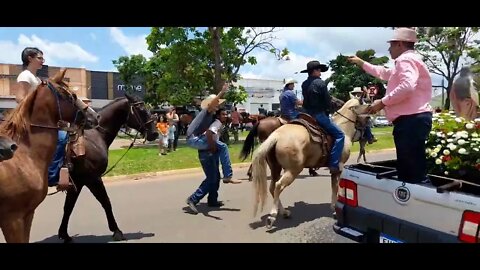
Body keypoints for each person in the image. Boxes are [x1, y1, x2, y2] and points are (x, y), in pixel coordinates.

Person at [348, 27, 433, 184]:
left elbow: (407, 86)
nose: (389, 49)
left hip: (410, 121)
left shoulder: (405, 60)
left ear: (400, 44)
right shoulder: (410, 60)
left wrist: (383, 102)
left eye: (391, 45)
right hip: (413, 120)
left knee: (413, 172)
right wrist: (362, 63)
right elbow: (384, 73)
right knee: (411, 169)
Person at [15, 47, 70, 190]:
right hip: (31, 120)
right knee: (62, 137)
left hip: (40, 120)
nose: (42, 61)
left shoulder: (37, 79)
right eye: (40, 58)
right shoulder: (25, 76)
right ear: (30, 58)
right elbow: (20, 98)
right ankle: (51, 176)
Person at [185, 82, 240, 184]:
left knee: (219, 147)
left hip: (196, 138)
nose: (217, 106)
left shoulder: (211, 116)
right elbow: (210, 132)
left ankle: (220, 175)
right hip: (194, 139)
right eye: (216, 104)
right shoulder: (207, 111)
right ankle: (228, 175)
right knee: (223, 147)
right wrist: (222, 92)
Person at [301, 60, 345, 174]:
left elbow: (306, 101)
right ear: (314, 71)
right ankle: (334, 164)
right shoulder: (321, 83)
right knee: (340, 135)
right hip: (319, 115)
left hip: (305, 115)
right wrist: (329, 109)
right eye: (319, 70)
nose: (320, 72)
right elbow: (326, 101)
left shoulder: (304, 84)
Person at [185, 108, 231, 214]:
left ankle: (212, 200)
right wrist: (212, 147)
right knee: (211, 178)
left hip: (210, 151)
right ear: (218, 116)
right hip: (207, 153)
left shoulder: (218, 123)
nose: (225, 116)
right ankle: (193, 199)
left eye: (226, 114)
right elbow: (209, 134)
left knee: (216, 177)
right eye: (223, 114)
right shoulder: (217, 122)